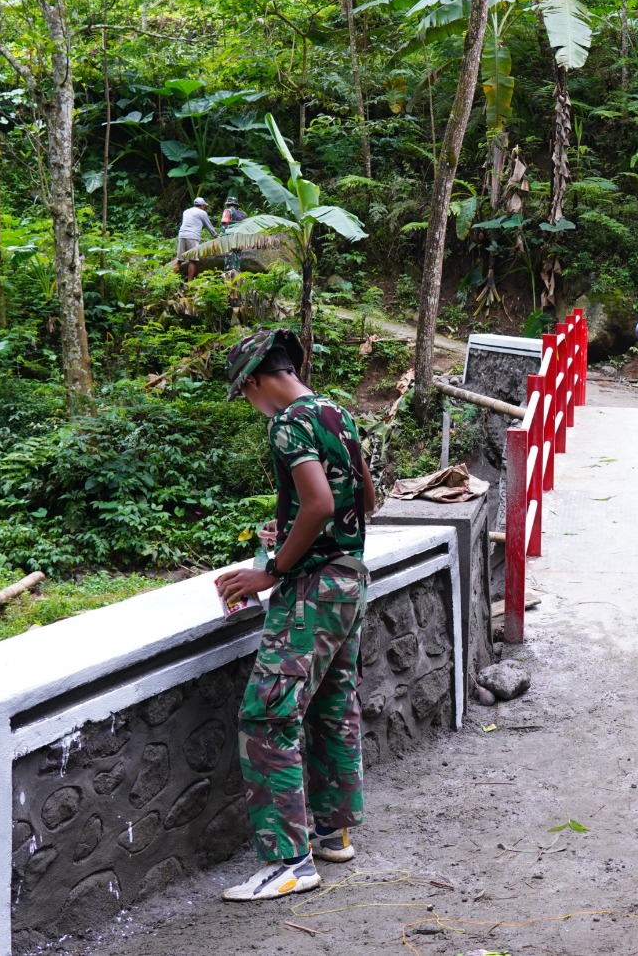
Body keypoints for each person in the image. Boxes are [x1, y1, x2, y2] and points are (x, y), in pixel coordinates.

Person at [213, 328, 378, 902]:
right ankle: (333, 832)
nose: (250, 402)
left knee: (266, 716)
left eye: (245, 393)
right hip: (350, 581)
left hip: (311, 589)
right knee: (332, 703)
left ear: (256, 381)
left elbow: (320, 503)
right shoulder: (337, 413)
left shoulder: (287, 422)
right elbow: (364, 500)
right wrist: (289, 531)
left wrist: (273, 569)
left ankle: (288, 862)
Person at [176, 197, 215, 281]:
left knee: (179, 260)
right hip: (192, 236)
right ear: (201, 205)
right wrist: (216, 236)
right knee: (193, 260)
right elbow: (209, 225)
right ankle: (190, 283)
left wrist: (198, 237)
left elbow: (190, 224)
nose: (204, 207)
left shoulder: (186, 211)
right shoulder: (202, 213)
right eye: (204, 206)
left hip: (182, 234)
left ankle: (171, 280)